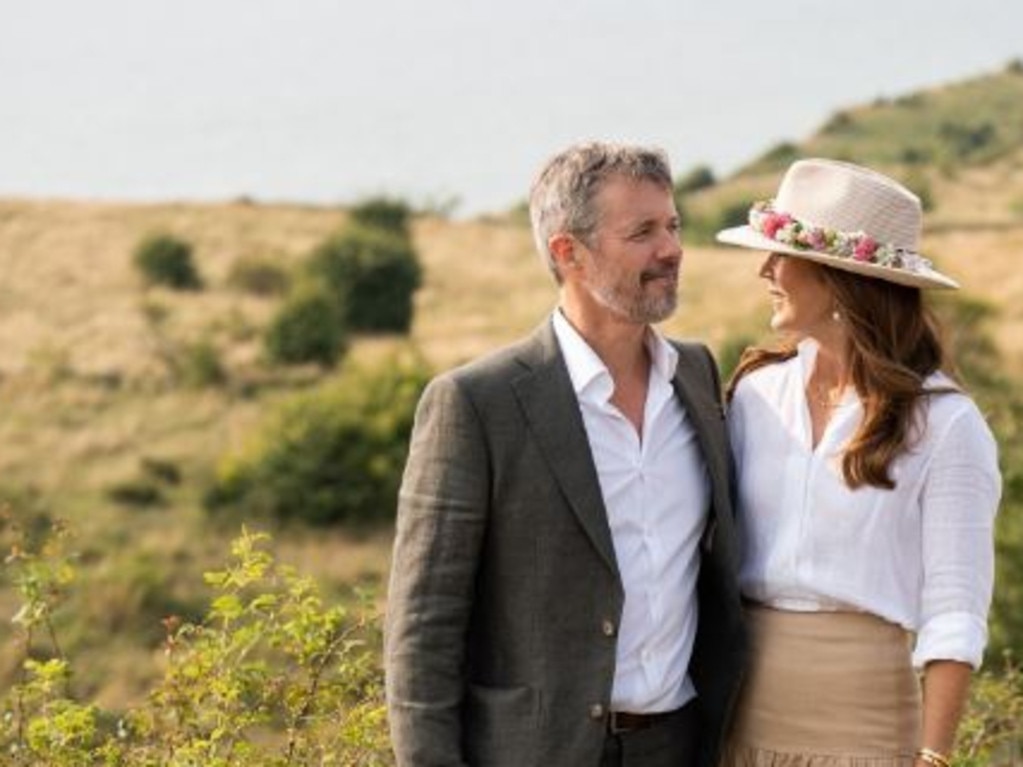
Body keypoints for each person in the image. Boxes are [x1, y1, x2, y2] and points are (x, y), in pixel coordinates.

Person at [385, 141, 747, 767]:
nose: (671, 249)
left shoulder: (697, 374)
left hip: (681, 745)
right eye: (642, 232)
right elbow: (423, 633)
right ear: (568, 252)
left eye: (673, 225)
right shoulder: (477, 403)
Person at [715, 158, 1001, 767]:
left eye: (781, 255)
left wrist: (934, 757)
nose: (765, 270)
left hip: (865, 736)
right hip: (731, 724)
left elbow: (955, 609)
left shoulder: (946, 425)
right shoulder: (752, 395)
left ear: (840, 279)